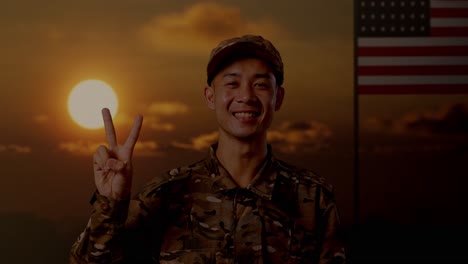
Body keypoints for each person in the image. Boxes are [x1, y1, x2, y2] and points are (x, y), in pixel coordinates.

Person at [70, 35, 346, 264]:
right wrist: (111, 204)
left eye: (260, 84)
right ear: (210, 97)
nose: (247, 96)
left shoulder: (313, 198)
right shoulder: (165, 195)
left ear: (279, 98)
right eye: (232, 83)